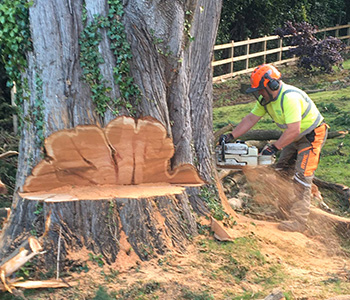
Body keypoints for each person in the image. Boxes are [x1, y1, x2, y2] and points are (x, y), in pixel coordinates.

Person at [221, 64, 328, 232]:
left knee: (302, 175)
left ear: (273, 85)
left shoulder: (289, 98)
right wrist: (231, 136)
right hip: (293, 135)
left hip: (311, 136)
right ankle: (283, 211)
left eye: (262, 89)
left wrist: (274, 147)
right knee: (281, 172)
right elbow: (250, 119)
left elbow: (294, 129)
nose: (260, 94)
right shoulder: (267, 100)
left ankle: (299, 221)